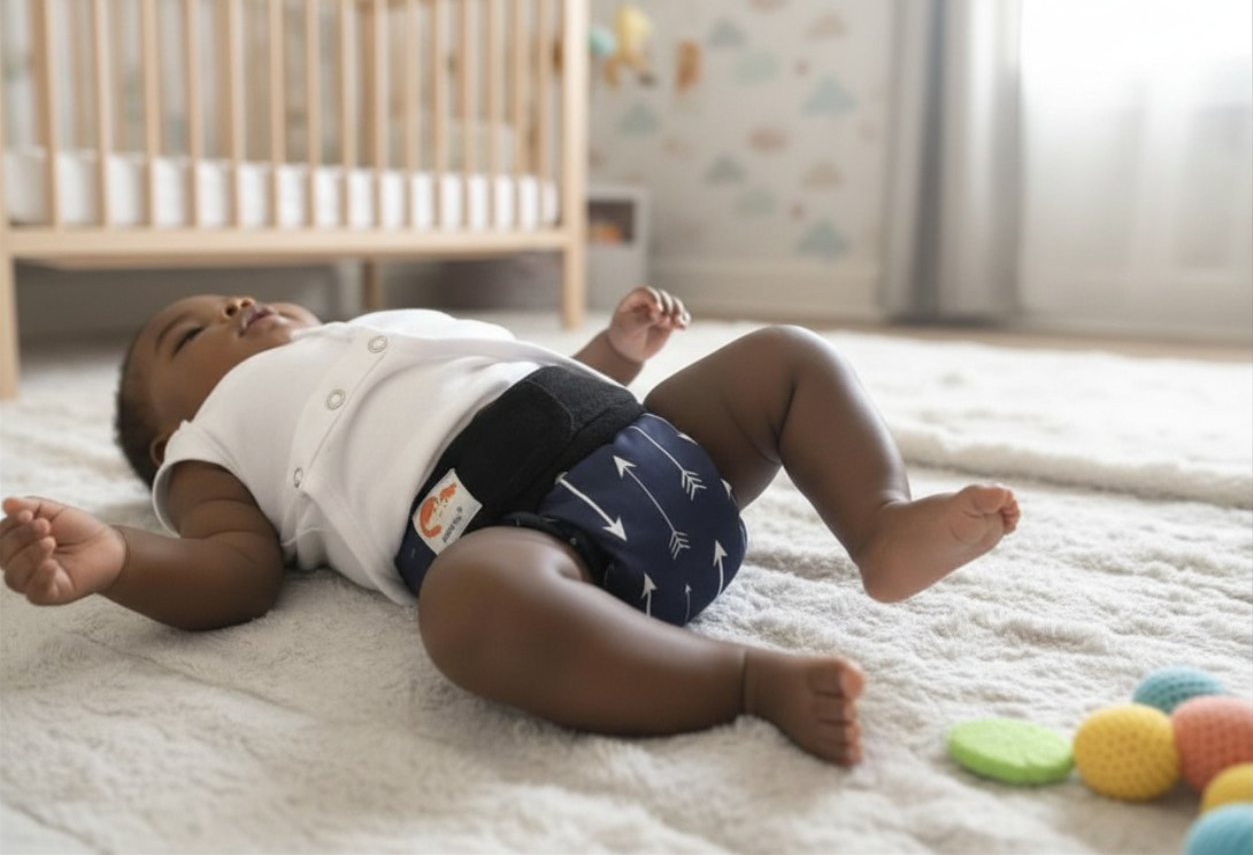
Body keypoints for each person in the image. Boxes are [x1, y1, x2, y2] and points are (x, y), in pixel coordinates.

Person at [0, 287, 1020, 766]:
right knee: (467, 607)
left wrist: (613, 354)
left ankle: (879, 525)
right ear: (168, 431)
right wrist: (122, 557)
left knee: (784, 353)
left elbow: (521, 374)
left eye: (239, 296)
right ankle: (744, 680)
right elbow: (234, 570)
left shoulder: (373, 327)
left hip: (649, 446)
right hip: (531, 539)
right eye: (189, 330)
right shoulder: (209, 442)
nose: (235, 305)